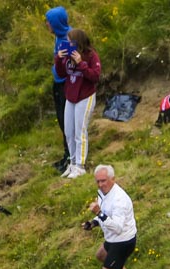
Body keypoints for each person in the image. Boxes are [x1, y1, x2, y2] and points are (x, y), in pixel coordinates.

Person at [84, 165, 140, 269]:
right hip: (113, 239)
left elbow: (117, 227)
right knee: (101, 255)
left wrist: (99, 214)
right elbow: (106, 214)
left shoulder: (119, 199)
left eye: (103, 181)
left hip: (122, 242)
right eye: (98, 181)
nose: (101, 185)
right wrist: (93, 223)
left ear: (112, 179)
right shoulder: (103, 193)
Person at [55, 29, 102, 178]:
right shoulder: (68, 56)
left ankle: (80, 166)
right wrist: (59, 59)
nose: (68, 44)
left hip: (85, 96)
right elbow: (61, 74)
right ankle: (73, 163)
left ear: (78, 42)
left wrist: (81, 63)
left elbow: (95, 76)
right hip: (71, 95)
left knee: (79, 131)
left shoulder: (91, 55)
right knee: (69, 131)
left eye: (71, 42)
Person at [46, 7, 74, 171]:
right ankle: (67, 154)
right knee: (62, 122)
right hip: (59, 83)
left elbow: (68, 66)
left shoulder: (69, 39)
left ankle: (71, 157)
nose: (46, 25)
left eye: (49, 22)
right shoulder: (58, 37)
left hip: (66, 85)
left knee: (67, 122)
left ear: (56, 23)